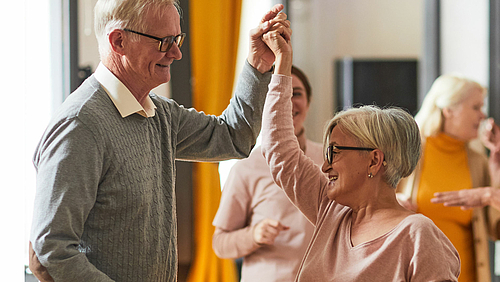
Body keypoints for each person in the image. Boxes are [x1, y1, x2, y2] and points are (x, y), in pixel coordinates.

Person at [28, 0, 292, 281]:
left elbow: (233, 137)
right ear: (118, 41)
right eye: (165, 42)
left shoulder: (160, 114)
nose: (177, 53)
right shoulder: (80, 124)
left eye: (177, 39)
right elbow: (50, 252)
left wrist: (258, 64)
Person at [259, 49, 460, 280]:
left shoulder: (417, 234)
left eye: (334, 152)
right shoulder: (331, 211)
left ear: (374, 161)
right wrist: (281, 65)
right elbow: (279, 149)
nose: (325, 166)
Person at [212, 65, 320, 281]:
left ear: (308, 101)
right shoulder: (246, 167)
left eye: (296, 93)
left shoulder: (330, 161)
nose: (287, 102)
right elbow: (220, 244)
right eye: (278, 94)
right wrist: (254, 235)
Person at [397, 75, 500, 282]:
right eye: (476, 107)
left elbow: (495, 229)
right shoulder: (405, 153)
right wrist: (393, 204)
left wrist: (497, 172)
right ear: (448, 110)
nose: (483, 115)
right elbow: (368, 209)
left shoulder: (479, 161)